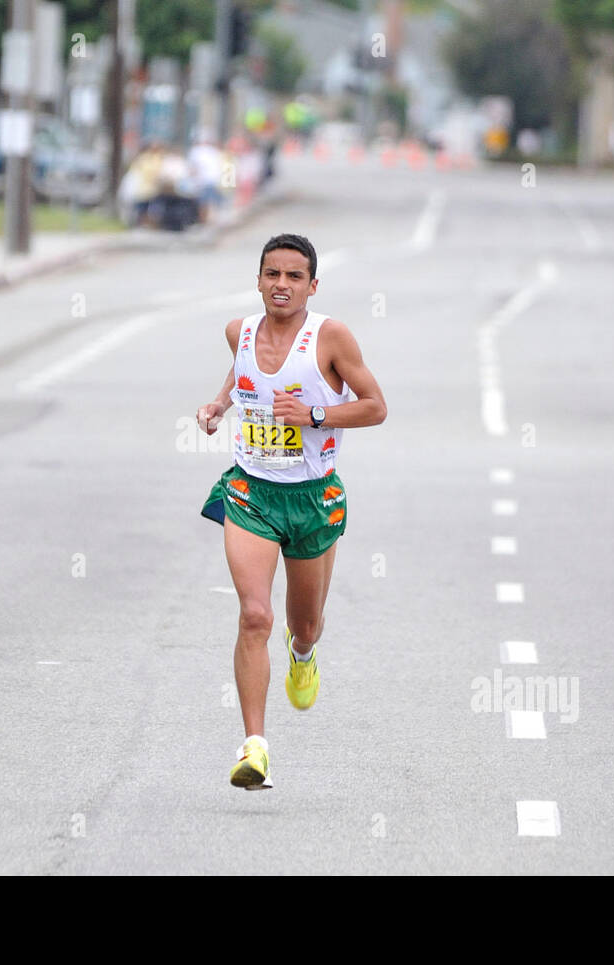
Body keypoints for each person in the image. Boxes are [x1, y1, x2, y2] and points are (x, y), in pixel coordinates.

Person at [197, 233, 388, 789]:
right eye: (271, 274)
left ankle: (302, 652)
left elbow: (376, 407)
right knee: (254, 615)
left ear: (312, 285)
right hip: (251, 492)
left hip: (312, 497)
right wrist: (219, 404)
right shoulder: (239, 331)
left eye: (293, 277)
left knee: (304, 623)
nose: (281, 285)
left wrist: (316, 416)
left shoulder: (330, 337)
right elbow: (243, 375)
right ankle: (254, 747)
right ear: (258, 279)